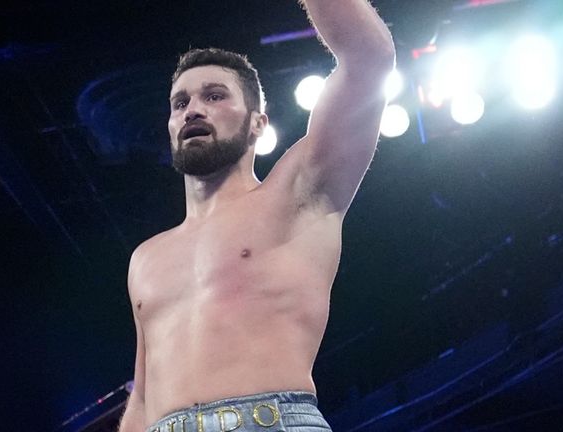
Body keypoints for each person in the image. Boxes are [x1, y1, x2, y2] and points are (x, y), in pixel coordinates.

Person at [118, 1, 394, 431]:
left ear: (257, 123)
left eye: (214, 96)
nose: (192, 110)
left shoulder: (297, 192)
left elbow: (368, 60)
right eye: (180, 102)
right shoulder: (145, 258)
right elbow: (144, 397)